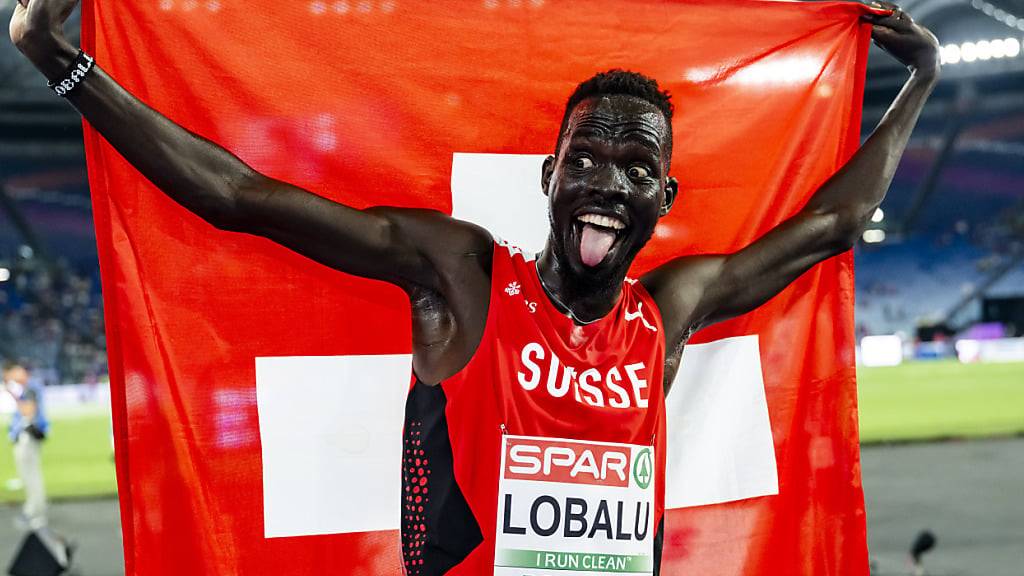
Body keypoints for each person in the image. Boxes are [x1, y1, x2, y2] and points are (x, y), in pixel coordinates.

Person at [9, 1, 939, 573]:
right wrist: (67, 63)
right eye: (586, 158)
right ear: (549, 176)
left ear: (665, 196)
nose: (607, 183)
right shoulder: (463, 273)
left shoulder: (669, 308)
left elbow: (833, 225)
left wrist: (922, 77)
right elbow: (242, 197)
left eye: (635, 166)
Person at [2, 360, 50, 531]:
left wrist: (13, 395)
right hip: (26, 437)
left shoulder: (29, 388)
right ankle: (33, 510)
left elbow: (28, 411)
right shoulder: (28, 388)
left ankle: (36, 513)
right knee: (29, 476)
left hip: (28, 437)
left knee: (31, 476)